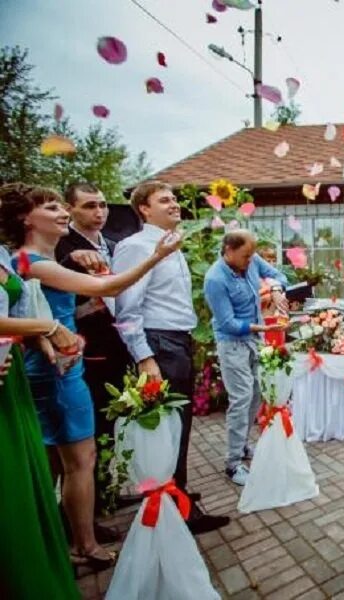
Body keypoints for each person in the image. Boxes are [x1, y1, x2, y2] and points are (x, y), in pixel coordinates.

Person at [0, 183, 182, 571]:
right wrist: (157, 255)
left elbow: (62, 310)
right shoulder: (33, 261)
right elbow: (110, 285)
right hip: (59, 373)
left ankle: (62, 535)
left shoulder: (31, 262)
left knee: (55, 461)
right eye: (52, 208)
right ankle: (85, 544)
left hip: (52, 365)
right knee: (79, 460)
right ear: (25, 219)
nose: (63, 213)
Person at [112, 180, 230, 534]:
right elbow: (127, 309)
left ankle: (176, 496)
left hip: (178, 341)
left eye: (175, 198)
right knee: (166, 430)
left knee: (180, 427)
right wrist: (145, 357)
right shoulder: (136, 248)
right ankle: (174, 512)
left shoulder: (172, 246)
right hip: (158, 344)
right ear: (144, 209)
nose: (175, 204)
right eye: (165, 200)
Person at [0, 245, 80, 598]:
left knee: (25, 481)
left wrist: (37, 338)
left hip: (10, 371)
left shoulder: (3, 254)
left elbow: (14, 309)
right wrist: (49, 325)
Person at [55, 182, 133, 528]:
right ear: (71, 210)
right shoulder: (64, 249)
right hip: (88, 352)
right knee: (91, 432)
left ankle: (105, 490)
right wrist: (94, 305)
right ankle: (88, 509)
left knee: (112, 427)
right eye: (89, 206)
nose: (99, 212)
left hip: (120, 347)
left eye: (102, 205)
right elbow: (59, 306)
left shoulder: (114, 246)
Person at [203, 229, 288, 485]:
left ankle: (241, 447)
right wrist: (264, 328)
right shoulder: (215, 279)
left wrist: (274, 288)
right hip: (233, 344)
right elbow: (227, 323)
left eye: (252, 256)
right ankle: (233, 463)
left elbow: (278, 274)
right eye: (245, 256)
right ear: (228, 251)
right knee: (240, 399)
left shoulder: (250, 260)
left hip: (254, 339)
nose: (250, 261)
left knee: (256, 394)